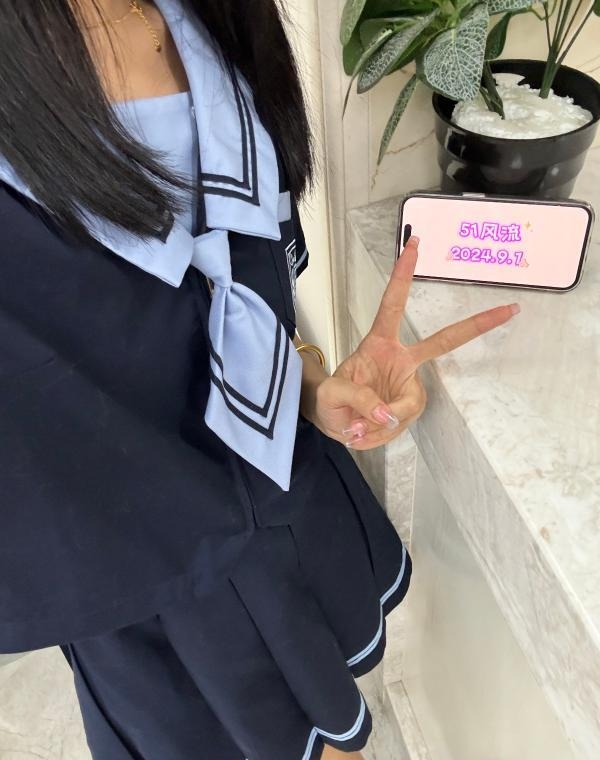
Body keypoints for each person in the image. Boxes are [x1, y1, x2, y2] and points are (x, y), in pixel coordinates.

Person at [0, 1, 520, 758]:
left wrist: (308, 385)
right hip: (152, 573)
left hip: (283, 493)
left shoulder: (207, 19)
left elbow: (234, 279)